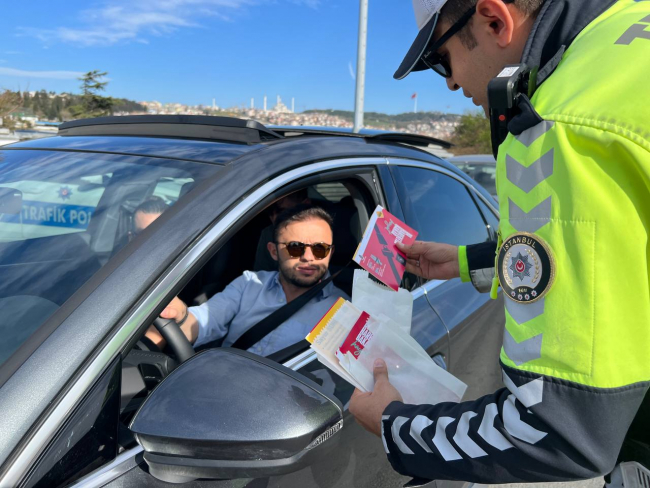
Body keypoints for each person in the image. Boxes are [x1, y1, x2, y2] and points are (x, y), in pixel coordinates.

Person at [350, 0, 650, 484]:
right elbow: (616, 250)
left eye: (439, 59)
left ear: (494, 20)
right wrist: (466, 262)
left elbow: (557, 431)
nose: (450, 83)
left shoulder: (557, 127)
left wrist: (393, 425)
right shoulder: (626, 34)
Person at [147, 205, 349, 356]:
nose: (308, 257)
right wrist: (181, 314)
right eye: (295, 247)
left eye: (320, 248)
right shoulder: (249, 284)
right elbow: (206, 320)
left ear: (330, 253)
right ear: (273, 251)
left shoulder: (344, 312)